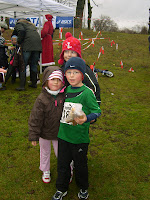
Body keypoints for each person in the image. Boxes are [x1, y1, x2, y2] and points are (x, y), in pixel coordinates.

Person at [52, 57, 101, 200]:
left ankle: (83, 188)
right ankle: (61, 188)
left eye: (75, 72)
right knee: (62, 164)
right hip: (63, 136)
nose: (71, 76)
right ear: (65, 74)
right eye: (69, 72)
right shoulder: (65, 90)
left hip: (79, 138)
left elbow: (97, 111)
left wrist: (87, 118)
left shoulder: (87, 93)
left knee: (80, 165)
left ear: (82, 75)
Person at [28, 66, 65, 183]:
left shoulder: (65, 96)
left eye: (59, 80)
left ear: (62, 82)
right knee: (45, 152)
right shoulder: (41, 99)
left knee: (62, 153)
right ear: (46, 81)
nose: (55, 82)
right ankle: (45, 170)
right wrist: (34, 135)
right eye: (53, 79)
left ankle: (66, 168)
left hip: (60, 133)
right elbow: (35, 118)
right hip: (44, 133)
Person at [58, 32, 101, 106]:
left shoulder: (84, 69)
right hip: (67, 104)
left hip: (83, 104)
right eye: (66, 52)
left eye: (72, 52)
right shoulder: (62, 69)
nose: (69, 55)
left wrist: (95, 103)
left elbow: (94, 86)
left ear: (78, 54)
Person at [12, 18, 42, 91]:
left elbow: (21, 32)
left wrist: (19, 41)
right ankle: (34, 83)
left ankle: (22, 85)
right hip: (37, 46)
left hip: (28, 46)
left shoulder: (19, 24)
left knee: (23, 65)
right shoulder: (31, 25)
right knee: (34, 64)